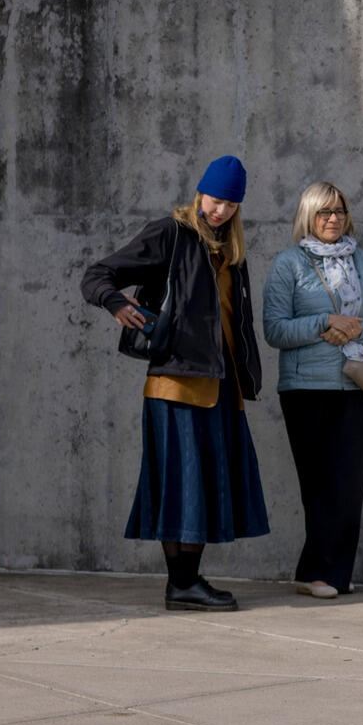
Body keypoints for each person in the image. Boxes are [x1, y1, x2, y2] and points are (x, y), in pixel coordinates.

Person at [81, 156, 269, 611]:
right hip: (176, 384)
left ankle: (188, 583)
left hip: (221, 386)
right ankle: (181, 583)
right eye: (215, 199)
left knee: (204, 484)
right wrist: (114, 303)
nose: (220, 209)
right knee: (179, 484)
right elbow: (97, 275)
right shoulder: (171, 233)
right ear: (200, 193)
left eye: (229, 203)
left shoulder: (230, 250)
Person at [262, 182, 363, 599]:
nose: (333, 219)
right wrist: (324, 322)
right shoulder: (289, 264)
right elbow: (274, 329)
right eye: (324, 212)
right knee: (319, 485)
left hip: (354, 385)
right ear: (308, 216)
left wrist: (354, 327)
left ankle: (334, 572)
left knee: (350, 483)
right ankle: (315, 572)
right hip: (305, 389)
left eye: (339, 211)